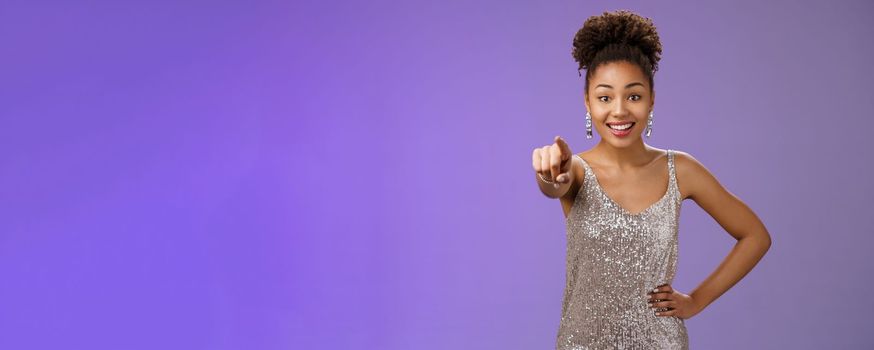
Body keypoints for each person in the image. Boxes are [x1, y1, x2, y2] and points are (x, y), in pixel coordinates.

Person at [531, 9, 772, 349]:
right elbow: (555, 184)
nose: (619, 111)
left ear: (651, 99)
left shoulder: (680, 169)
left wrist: (696, 301)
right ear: (587, 102)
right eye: (604, 97)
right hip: (582, 342)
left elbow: (755, 236)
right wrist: (548, 174)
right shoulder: (578, 171)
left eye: (633, 96)